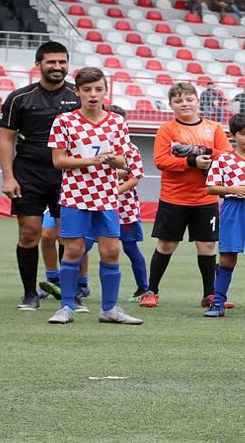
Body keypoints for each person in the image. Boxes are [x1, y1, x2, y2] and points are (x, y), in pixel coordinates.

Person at [46, 67, 142, 325]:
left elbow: (124, 161)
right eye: (87, 90)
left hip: (107, 195)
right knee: (74, 249)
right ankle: (66, 306)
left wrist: (113, 160)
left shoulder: (117, 122)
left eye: (98, 89)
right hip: (75, 195)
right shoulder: (64, 121)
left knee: (111, 250)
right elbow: (58, 161)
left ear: (105, 91)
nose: (93, 94)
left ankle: (109, 309)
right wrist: (92, 159)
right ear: (76, 91)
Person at [0, 41, 80, 310]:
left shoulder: (78, 96)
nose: (57, 67)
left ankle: (68, 295)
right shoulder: (19, 98)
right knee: (29, 234)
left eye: (62, 62)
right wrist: (8, 177)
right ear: (39, 65)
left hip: (67, 175)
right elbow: (7, 140)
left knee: (67, 235)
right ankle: (30, 293)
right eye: (51, 62)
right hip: (28, 173)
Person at [139, 82, 232, 309]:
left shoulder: (214, 128)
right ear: (171, 105)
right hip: (174, 197)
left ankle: (210, 295)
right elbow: (161, 161)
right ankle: (151, 291)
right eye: (179, 101)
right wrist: (192, 161)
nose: (185, 104)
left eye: (189, 99)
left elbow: (228, 156)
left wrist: (198, 151)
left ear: (198, 102)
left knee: (208, 246)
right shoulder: (167, 129)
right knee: (167, 244)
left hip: (206, 197)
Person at [203, 112, 245, 317]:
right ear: (233, 135)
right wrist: (235, 189)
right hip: (233, 208)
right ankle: (218, 303)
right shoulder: (224, 159)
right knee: (227, 257)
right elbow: (211, 188)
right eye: (243, 133)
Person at [106, 104, 150, 302]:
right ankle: (79, 287)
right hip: (96, 204)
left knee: (130, 247)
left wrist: (112, 192)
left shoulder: (131, 149)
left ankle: (143, 288)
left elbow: (135, 178)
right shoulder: (96, 146)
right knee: (84, 245)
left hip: (125, 207)